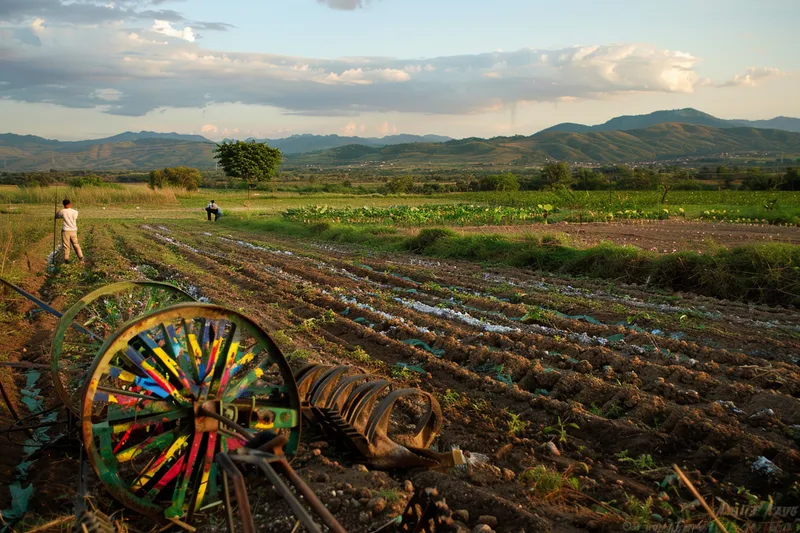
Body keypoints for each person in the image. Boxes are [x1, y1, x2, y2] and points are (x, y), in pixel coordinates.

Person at [56, 198, 84, 264]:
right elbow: (75, 217)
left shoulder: (62, 211)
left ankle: (66, 260)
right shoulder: (75, 211)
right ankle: (81, 258)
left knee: (66, 246)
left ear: (64, 205)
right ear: (70, 204)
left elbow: (57, 216)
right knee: (76, 244)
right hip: (73, 230)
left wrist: (57, 212)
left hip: (66, 230)